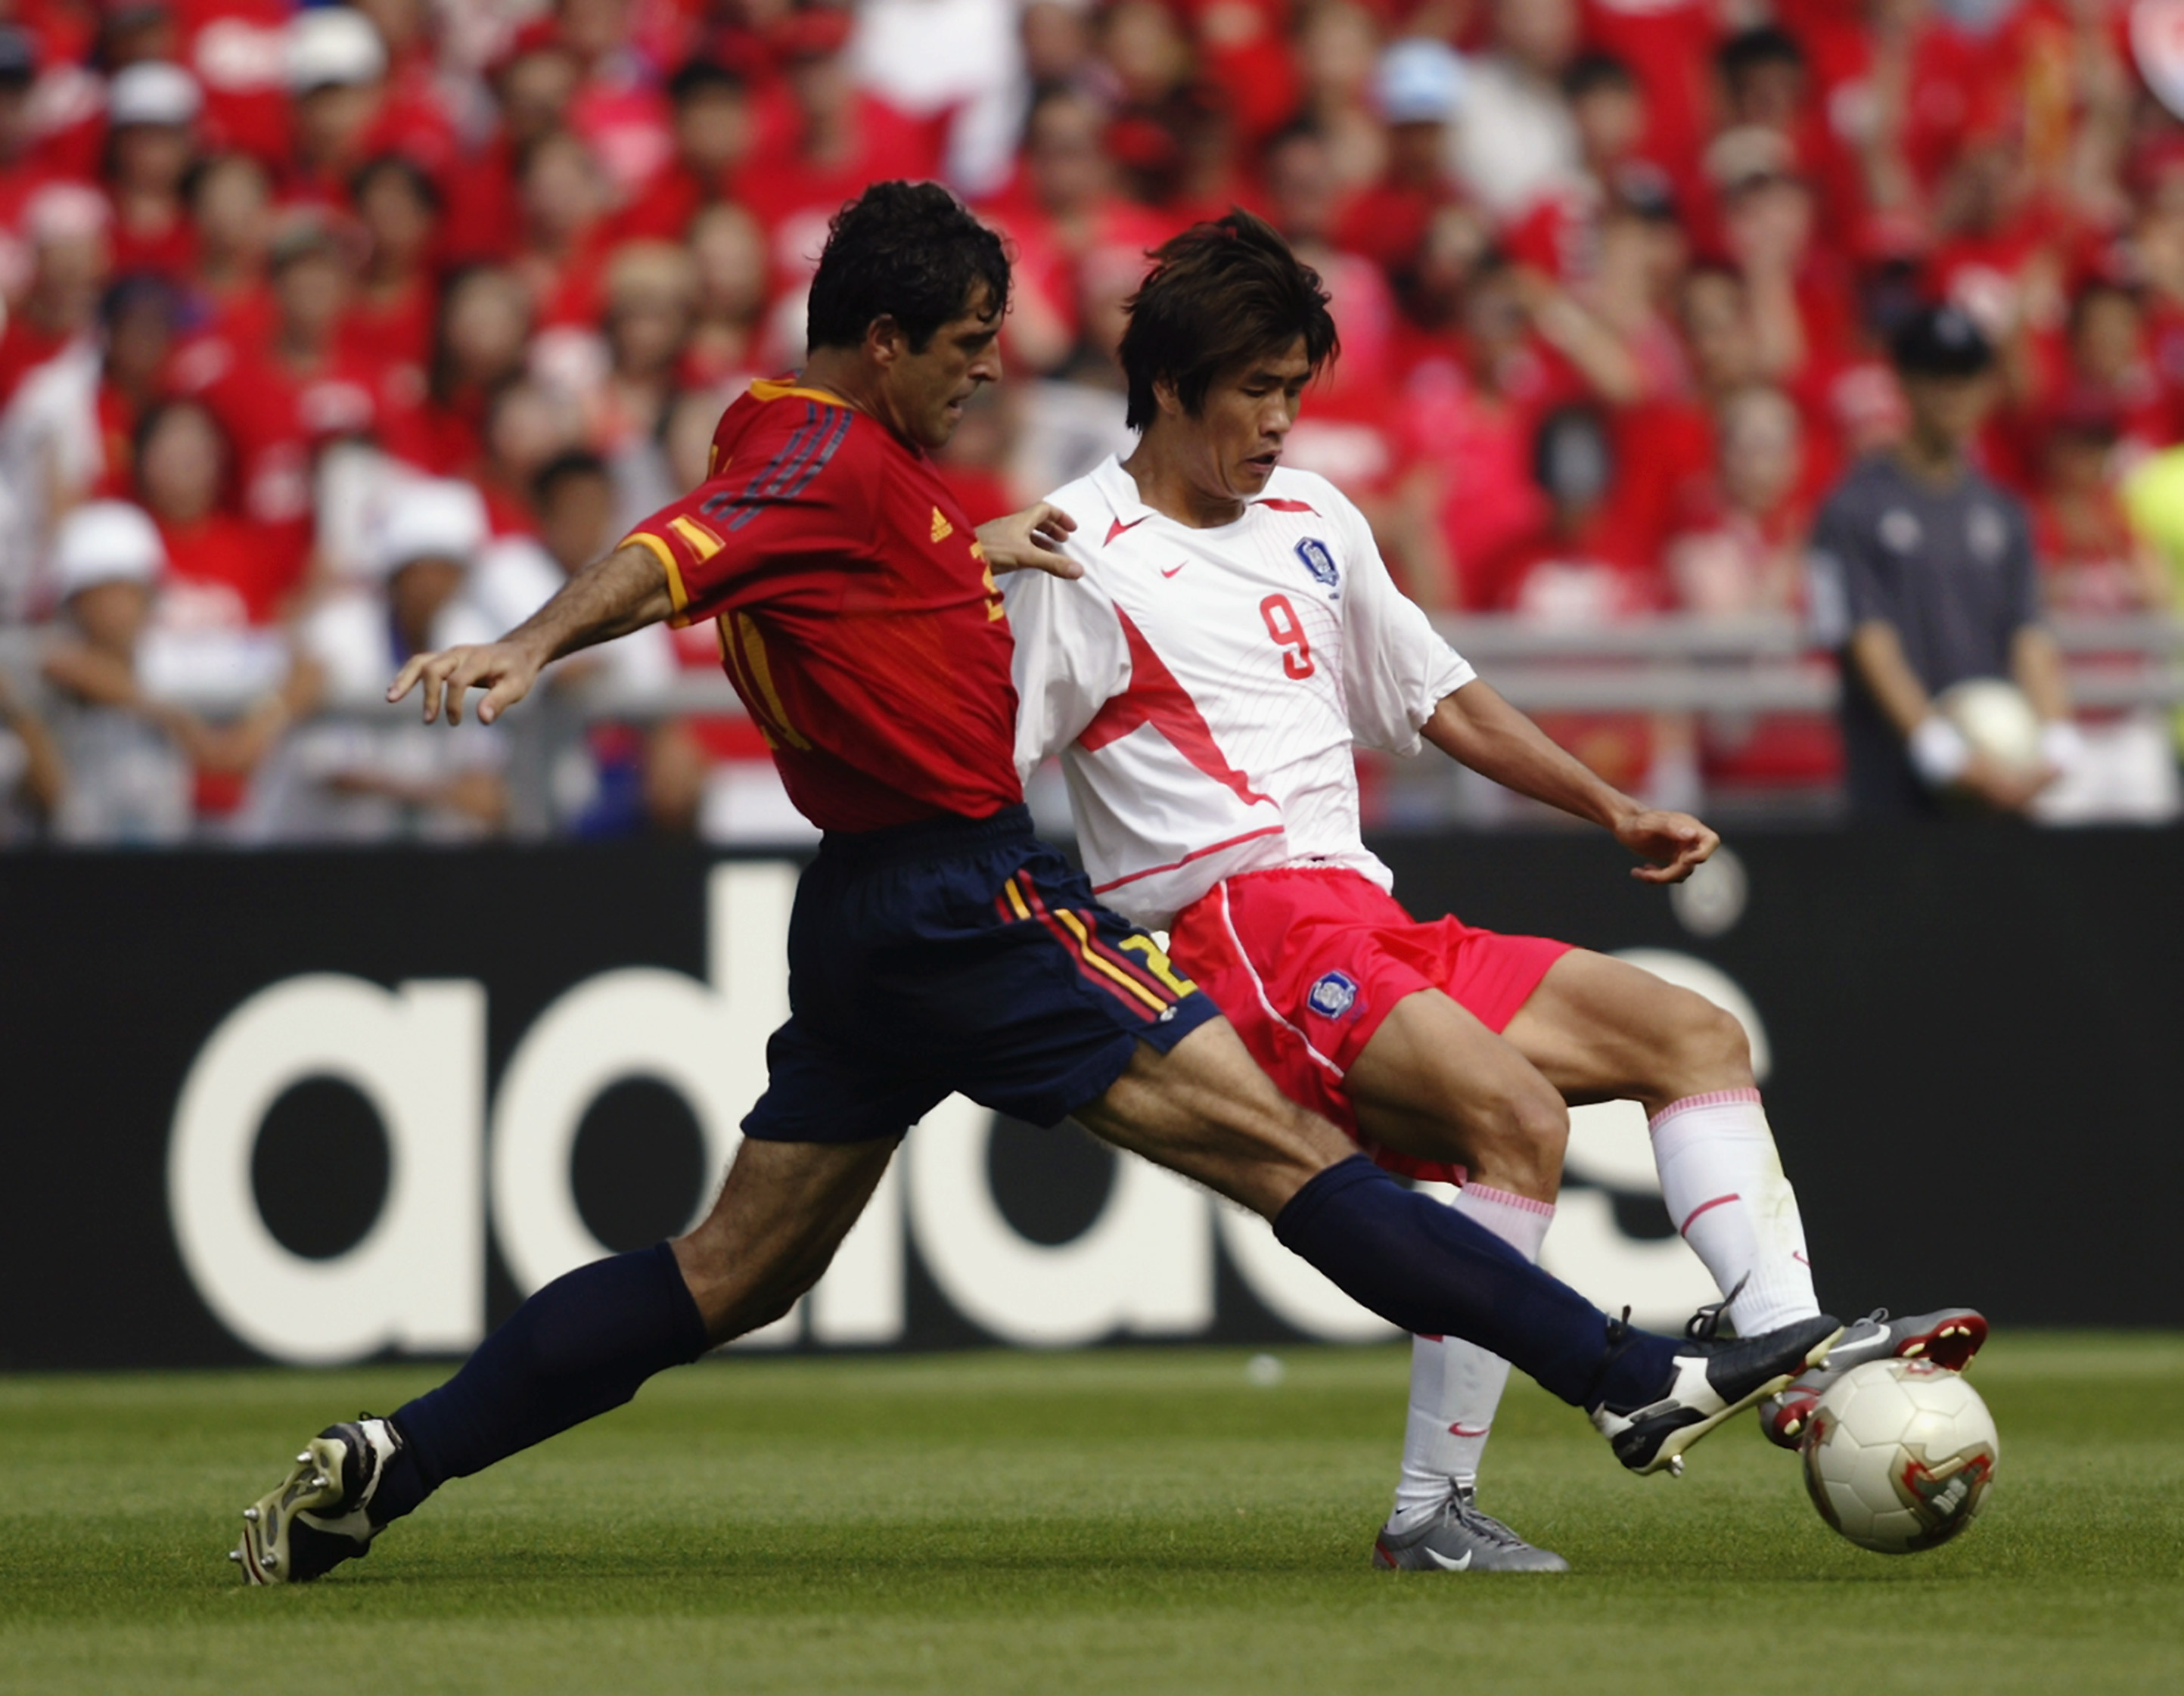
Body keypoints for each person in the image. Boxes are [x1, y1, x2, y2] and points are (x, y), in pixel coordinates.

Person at [231, 182, 1840, 1586]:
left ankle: (399, 1454)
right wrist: (527, 644)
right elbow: (680, 553)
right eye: (966, 343)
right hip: (967, 900)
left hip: (864, 914)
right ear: (882, 340)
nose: (991, 366)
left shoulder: (832, 458)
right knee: (1288, 1148)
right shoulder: (821, 466)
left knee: (730, 1271)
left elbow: (819, 566)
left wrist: (962, 557)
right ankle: (1623, 1371)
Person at [1004, 210, 1980, 1574]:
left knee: (1692, 1037)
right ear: (1168, 387)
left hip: (1361, 911)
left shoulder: (1315, 519)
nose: (1283, 420)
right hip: (1240, 926)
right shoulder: (1078, 547)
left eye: (1296, 389)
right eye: (1255, 391)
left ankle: (1796, 1349)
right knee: (1510, 1117)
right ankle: (1430, 1511)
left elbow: (1436, 694)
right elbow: (994, 746)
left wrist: (1611, 806)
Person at [1810, 303, 2077, 819]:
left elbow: (2028, 633)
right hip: (1894, 785)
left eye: (1966, 375)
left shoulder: (2004, 511)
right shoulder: (1852, 508)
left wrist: (2054, 734)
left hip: (1998, 777)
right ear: (1903, 383)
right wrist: (1939, 748)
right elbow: (1866, 641)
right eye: (1935, 374)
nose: (1952, 391)